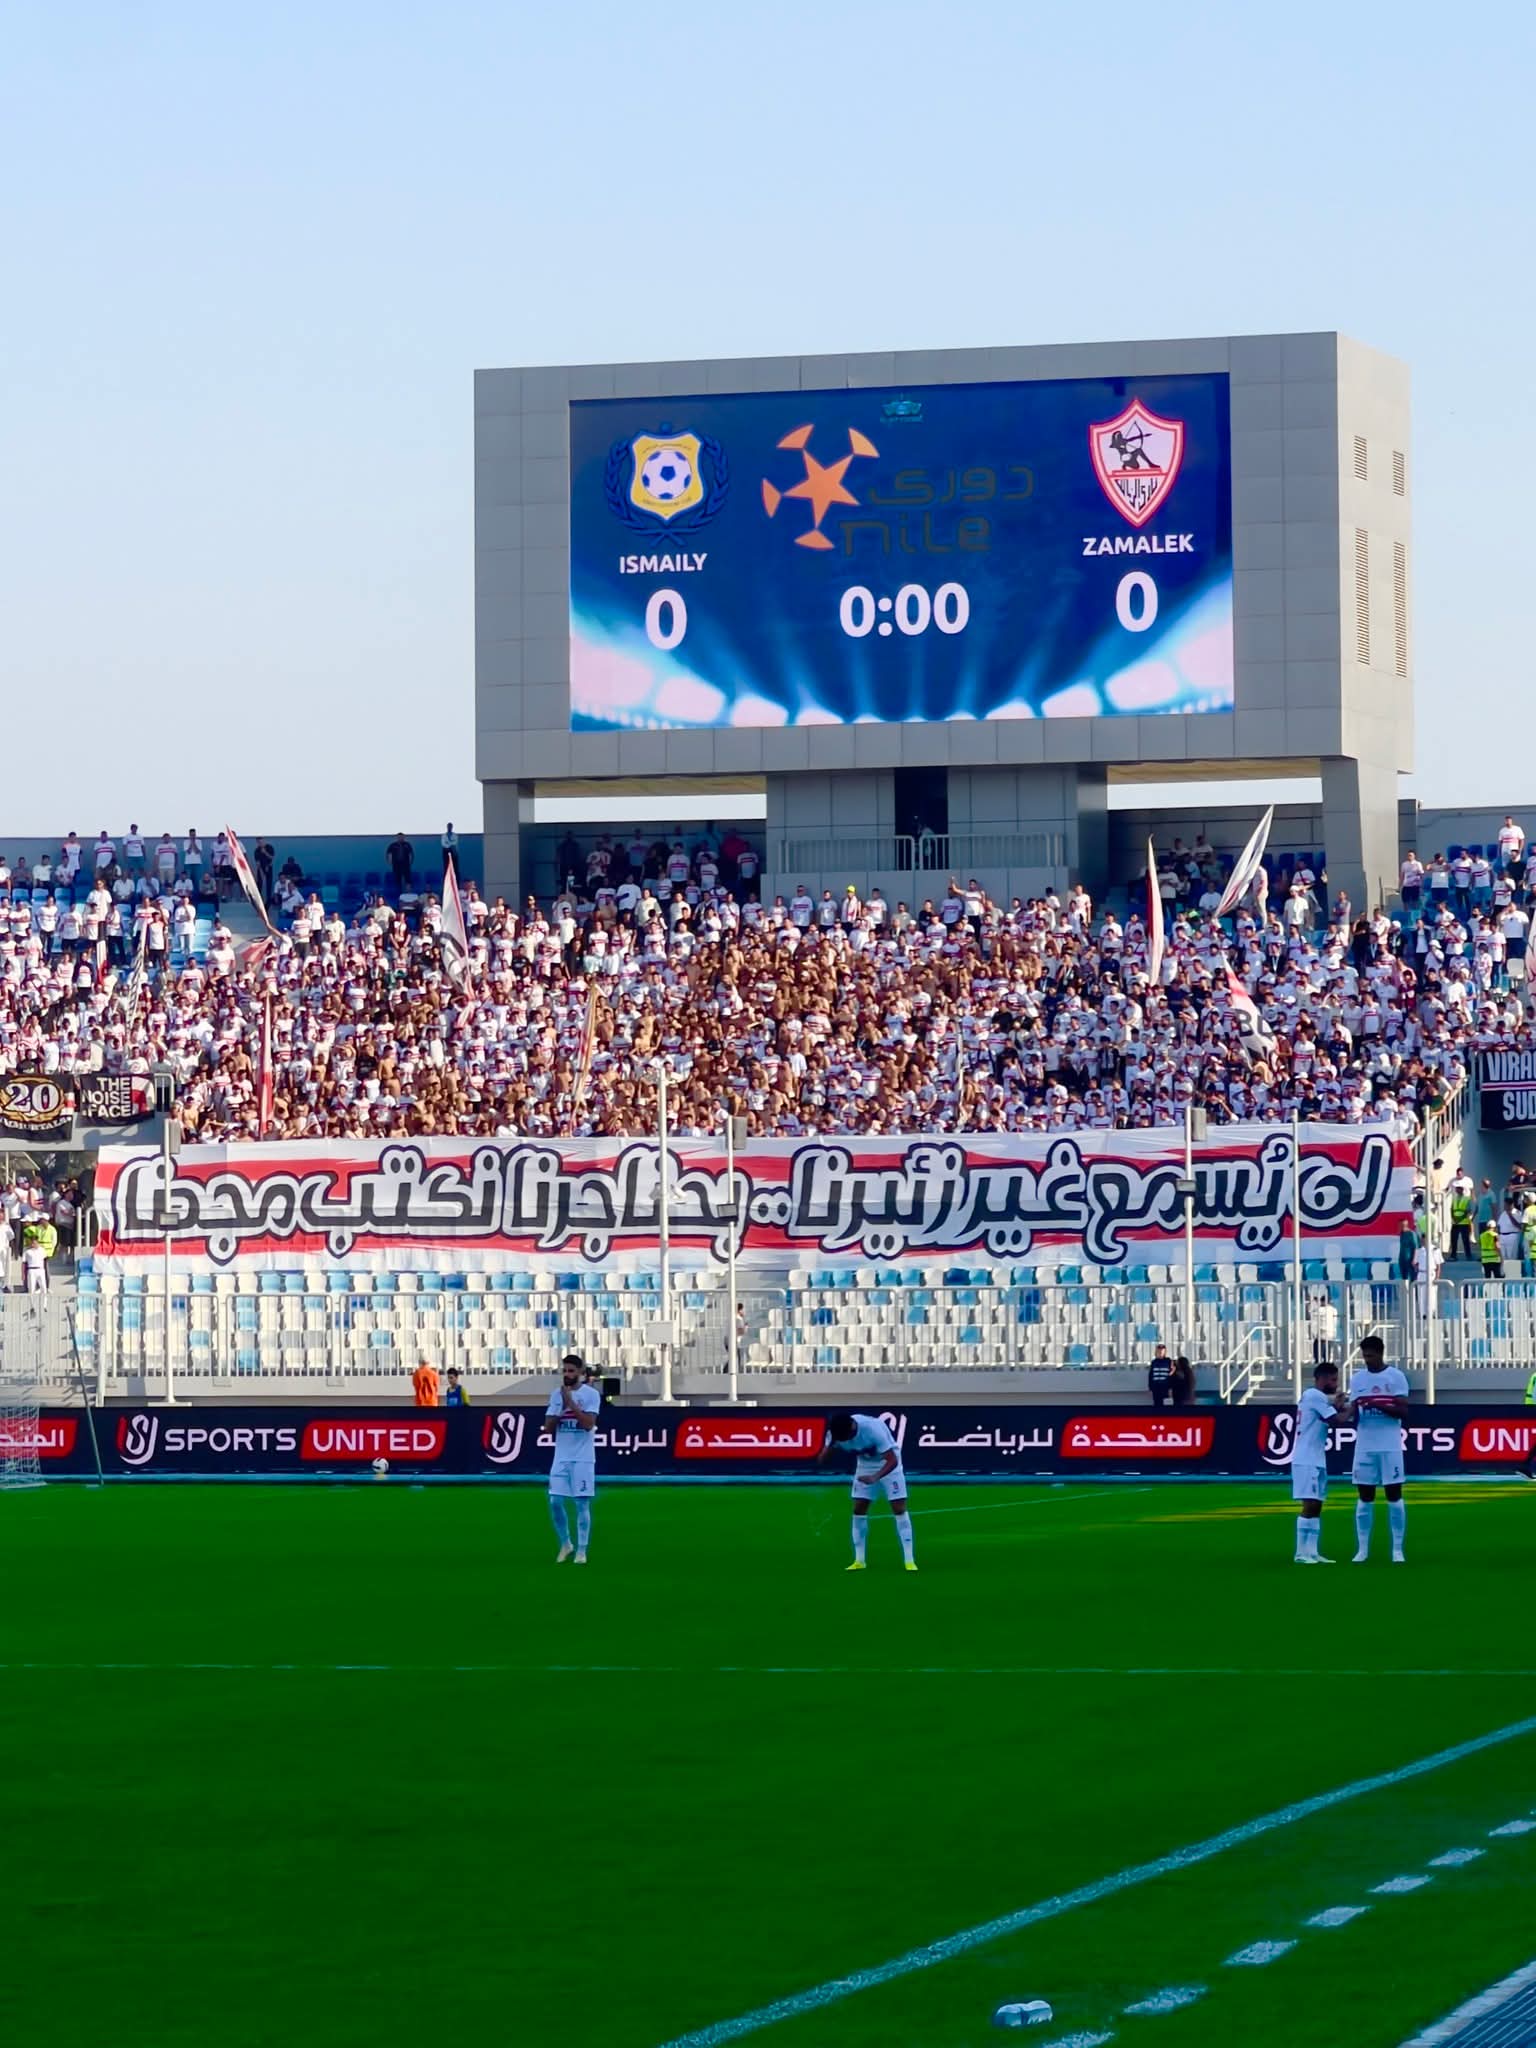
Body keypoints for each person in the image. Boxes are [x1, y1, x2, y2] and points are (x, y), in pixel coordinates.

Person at [820, 1412, 917, 1571]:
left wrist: (875, 1477)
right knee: (859, 1508)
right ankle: (859, 1561)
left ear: (852, 1426)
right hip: (865, 1465)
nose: (846, 1441)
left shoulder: (872, 1429)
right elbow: (822, 1460)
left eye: (847, 1436)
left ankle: (909, 1560)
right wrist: (828, 1448)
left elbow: (892, 1459)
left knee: (898, 1508)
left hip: (889, 1464)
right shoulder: (835, 1434)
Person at [1348, 1333, 1410, 1563]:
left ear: (1381, 1353)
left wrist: (1377, 1404)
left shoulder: (1395, 1377)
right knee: (1365, 1496)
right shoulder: (1357, 1380)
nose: (1367, 1360)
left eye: (1371, 1356)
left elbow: (1404, 1412)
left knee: (1394, 1495)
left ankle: (1397, 1549)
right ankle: (1362, 1549)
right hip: (1365, 1446)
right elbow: (1353, 1411)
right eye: (1364, 1356)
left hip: (1389, 1445)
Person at [545, 1352, 599, 1563]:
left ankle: (582, 1550)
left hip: (583, 1458)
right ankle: (566, 1543)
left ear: (580, 1373)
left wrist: (571, 1403)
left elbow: (588, 1424)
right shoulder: (555, 1395)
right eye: (564, 1370)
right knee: (555, 1501)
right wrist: (559, 1409)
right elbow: (548, 1429)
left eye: (571, 1371)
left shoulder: (591, 1395)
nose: (567, 1374)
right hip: (561, 1457)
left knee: (581, 1504)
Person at [1293, 1360, 1346, 1563]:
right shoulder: (1314, 1395)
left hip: (1315, 1458)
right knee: (1310, 1504)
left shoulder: (1316, 1398)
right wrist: (1353, 1408)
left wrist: (1340, 1405)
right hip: (1306, 1459)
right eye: (1333, 1379)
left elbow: (1333, 1410)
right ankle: (1300, 1552)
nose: (1335, 1383)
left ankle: (1312, 1551)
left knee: (1317, 1505)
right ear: (1322, 1379)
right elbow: (1336, 1420)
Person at [1147, 1341, 1174, 1407]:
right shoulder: (1154, 1362)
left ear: (1164, 1352)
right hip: (1155, 1388)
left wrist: (1170, 1387)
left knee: (1166, 1405)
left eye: (1162, 1351)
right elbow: (1151, 1375)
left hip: (1165, 1388)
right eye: (1159, 1351)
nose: (1160, 1353)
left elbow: (1171, 1375)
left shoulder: (1168, 1361)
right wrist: (1150, 1388)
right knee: (1157, 1404)